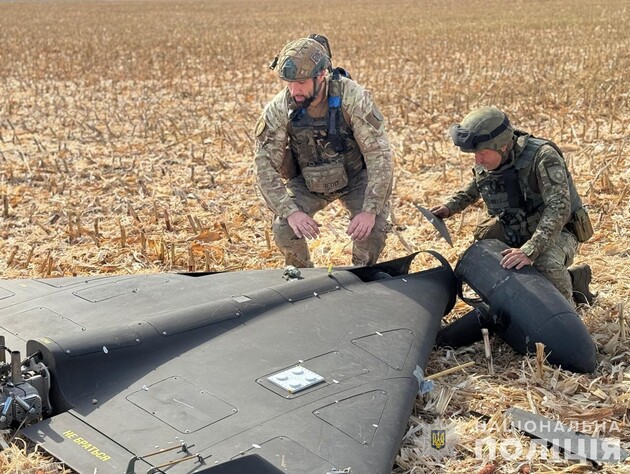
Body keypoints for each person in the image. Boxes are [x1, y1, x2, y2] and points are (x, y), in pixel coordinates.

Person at [431, 106, 594, 306]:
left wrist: (530, 250)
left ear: (503, 146)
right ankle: (526, 294)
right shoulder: (488, 160)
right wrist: (449, 207)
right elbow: (474, 188)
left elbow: (559, 208)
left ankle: (567, 308)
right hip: (518, 225)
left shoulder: (543, 156)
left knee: (545, 263)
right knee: (484, 248)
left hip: (560, 230)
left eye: (482, 153)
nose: (477, 160)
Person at [254, 35, 393, 268]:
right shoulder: (280, 107)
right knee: (284, 228)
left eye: (301, 82)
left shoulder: (353, 98)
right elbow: (263, 165)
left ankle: (361, 276)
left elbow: (379, 155)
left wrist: (369, 210)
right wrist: (291, 212)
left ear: (321, 76)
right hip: (309, 180)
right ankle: (303, 280)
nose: (294, 90)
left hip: (356, 176)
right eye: (289, 83)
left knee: (373, 228)